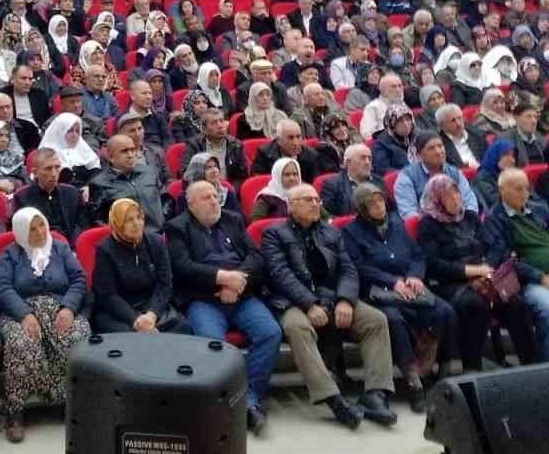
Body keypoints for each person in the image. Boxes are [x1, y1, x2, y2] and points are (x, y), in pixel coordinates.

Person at [261, 185, 397, 429]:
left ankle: (375, 394)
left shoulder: (331, 232)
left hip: (330, 297)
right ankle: (333, 399)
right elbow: (280, 275)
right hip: (290, 301)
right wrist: (310, 304)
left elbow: (348, 269)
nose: (315, 204)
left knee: (375, 320)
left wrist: (345, 299)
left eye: (317, 199)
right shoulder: (274, 233)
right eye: (308, 200)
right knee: (298, 328)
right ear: (291, 206)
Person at [166, 179, 281, 432]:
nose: (214, 200)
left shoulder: (233, 219)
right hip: (204, 299)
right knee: (213, 344)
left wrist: (236, 281)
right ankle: (232, 403)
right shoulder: (177, 227)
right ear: (190, 203)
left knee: (270, 333)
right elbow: (182, 267)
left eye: (216, 195)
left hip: (241, 295)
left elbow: (255, 257)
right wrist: (222, 278)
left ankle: (246, 399)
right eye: (206, 197)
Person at [343, 182, 457, 410]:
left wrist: (414, 276)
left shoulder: (396, 224)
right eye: (371, 203)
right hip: (379, 291)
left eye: (380, 200)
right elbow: (359, 266)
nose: (379, 206)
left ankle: (441, 370)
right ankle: (413, 382)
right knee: (393, 319)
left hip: (410, 286)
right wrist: (392, 282)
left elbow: (418, 256)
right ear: (361, 209)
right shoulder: (351, 232)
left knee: (445, 310)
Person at [417, 174, 536, 371]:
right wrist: (470, 272)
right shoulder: (427, 225)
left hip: (485, 277)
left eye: (456, 192)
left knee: (516, 304)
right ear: (436, 198)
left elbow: (491, 246)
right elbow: (432, 264)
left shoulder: (470, 217)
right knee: (475, 305)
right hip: (451, 283)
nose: (455, 198)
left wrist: (486, 270)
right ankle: (472, 369)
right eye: (448, 195)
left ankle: (532, 367)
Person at [0, 207, 90, 442]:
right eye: (32, 228)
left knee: (78, 335)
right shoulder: (10, 254)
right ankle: (15, 411)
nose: (39, 232)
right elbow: (1, 288)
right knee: (21, 342)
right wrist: (24, 314)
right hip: (21, 313)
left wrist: (68, 307)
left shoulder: (60, 248)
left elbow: (78, 279)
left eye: (42, 225)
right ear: (21, 231)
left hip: (59, 308)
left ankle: (71, 403)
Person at [91, 199, 192, 337]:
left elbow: (165, 285)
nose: (137, 224)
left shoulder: (156, 243)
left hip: (151, 305)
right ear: (117, 223)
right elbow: (107, 295)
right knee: (130, 338)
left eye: (139, 218)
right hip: (119, 311)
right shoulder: (105, 250)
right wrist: (135, 320)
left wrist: (152, 314)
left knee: (182, 327)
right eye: (129, 220)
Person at [482, 168, 549, 361]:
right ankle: (543, 370)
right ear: (503, 191)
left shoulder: (539, 210)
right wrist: (541, 277)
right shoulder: (495, 220)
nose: (524, 194)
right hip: (529, 282)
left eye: (526, 188)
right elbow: (506, 262)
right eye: (518, 189)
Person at [393, 133, 479, 219]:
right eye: (431, 148)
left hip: (459, 223)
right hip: (429, 227)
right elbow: (408, 212)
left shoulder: (454, 172)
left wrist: (466, 220)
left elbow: (469, 201)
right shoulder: (407, 177)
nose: (438, 152)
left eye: (440, 146)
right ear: (419, 155)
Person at [90, 132, 165, 231]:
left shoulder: (149, 172)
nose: (130, 155)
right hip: (126, 239)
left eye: (132, 150)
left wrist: (164, 219)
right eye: (124, 151)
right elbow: (97, 219)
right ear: (111, 157)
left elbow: (166, 199)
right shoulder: (99, 183)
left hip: (159, 233)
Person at [15, 147, 85, 244]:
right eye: (48, 169)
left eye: (57, 167)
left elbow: (81, 227)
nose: (54, 174)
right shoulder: (23, 197)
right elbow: (22, 233)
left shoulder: (72, 194)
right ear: (35, 172)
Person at [181, 107, 248, 185]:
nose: (220, 126)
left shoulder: (236, 145)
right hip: (202, 189)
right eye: (214, 123)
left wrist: (231, 190)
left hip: (229, 190)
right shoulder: (194, 145)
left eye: (221, 121)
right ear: (204, 129)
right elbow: (186, 174)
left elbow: (242, 176)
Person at [40, 112, 100, 191]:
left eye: (77, 131)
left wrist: (89, 187)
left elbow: (95, 170)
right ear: (60, 131)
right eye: (70, 131)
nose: (74, 135)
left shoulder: (82, 148)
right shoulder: (48, 153)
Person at [319, 143, 382, 219]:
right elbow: (328, 218)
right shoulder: (332, 185)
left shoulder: (378, 181)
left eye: (369, 158)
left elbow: (390, 210)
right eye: (363, 158)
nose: (367, 162)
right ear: (348, 162)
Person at [252, 117, 319, 184]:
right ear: (279, 140)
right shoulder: (265, 154)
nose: (296, 143)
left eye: (298, 137)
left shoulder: (311, 155)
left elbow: (314, 184)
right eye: (290, 138)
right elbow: (259, 182)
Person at [181, 153, 241, 217]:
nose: (214, 170)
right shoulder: (187, 198)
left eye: (215, 166)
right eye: (208, 168)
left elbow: (239, 219)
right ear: (197, 172)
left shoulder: (227, 195)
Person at [249, 156, 304, 222]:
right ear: (277, 177)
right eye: (287, 175)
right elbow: (255, 222)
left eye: (295, 174)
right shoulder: (267, 198)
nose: (292, 178)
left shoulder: (305, 195)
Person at [435, 104, 487, 170]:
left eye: (459, 118)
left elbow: (487, 159)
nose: (458, 123)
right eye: (453, 120)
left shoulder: (477, 134)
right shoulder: (439, 143)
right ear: (442, 125)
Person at [359, 73, 405, 140]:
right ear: (383, 90)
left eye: (400, 86)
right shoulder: (373, 107)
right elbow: (368, 135)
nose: (398, 90)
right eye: (393, 87)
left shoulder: (402, 104)